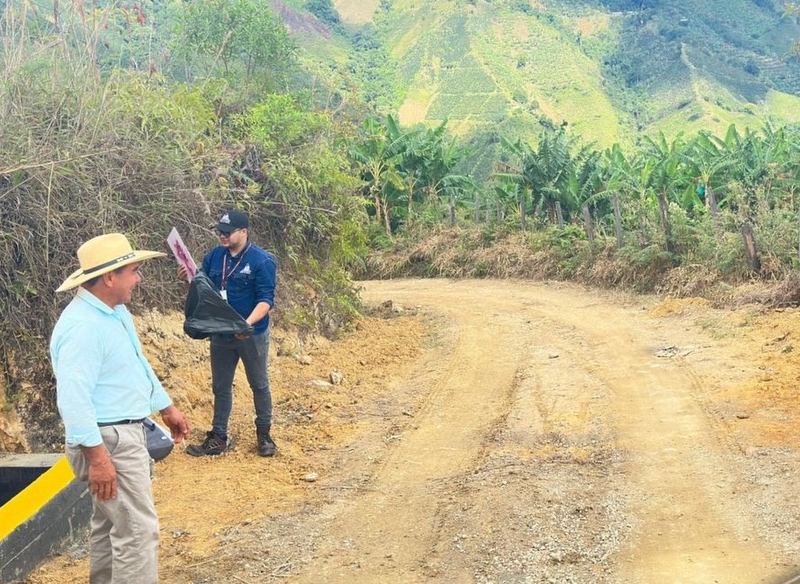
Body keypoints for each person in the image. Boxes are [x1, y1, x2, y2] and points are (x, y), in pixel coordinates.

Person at [50, 232, 191, 584]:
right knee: (138, 532)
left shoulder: (114, 313)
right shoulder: (83, 327)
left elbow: (136, 363)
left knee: (111, 525)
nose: (138, 278)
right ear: (110, 277)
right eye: (133, 270)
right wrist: (99, 459)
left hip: (117, 435)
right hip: (109, 440)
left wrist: (165, 407)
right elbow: (74, 398)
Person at [179, 209, 277, 457]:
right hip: (221, 333)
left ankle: (264, 435)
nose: (222, 236)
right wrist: (188, 279)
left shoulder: (261, 260)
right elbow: (205, 288)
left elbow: (265, 300)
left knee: (259, 383)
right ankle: (219, 435)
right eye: (219, 232)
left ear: (244, 232)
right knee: (221, 386)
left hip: (250, 334)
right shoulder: (214, 257)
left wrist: (246, 324)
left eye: (227, 232)